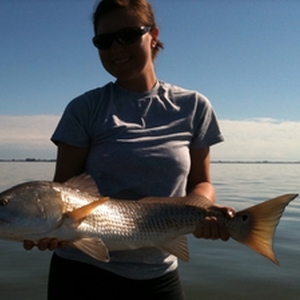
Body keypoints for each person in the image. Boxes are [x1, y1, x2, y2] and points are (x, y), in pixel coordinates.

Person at [24, 0, 235, 299]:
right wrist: (45, 229)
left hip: (157, 273)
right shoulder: (85, 108)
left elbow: (201, 182)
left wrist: (200, 213)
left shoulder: (194, 107)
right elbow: (63, 189)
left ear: (154, 35)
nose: (116, 48)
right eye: (104, 41)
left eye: (127, 35)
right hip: (81, 273)